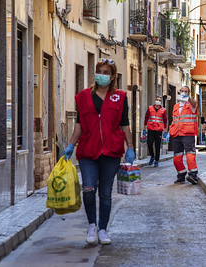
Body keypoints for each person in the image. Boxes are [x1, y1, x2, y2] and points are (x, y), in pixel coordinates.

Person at [64, 58, 135, 245]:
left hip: (111, 152)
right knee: (88, 188)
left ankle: (103, 229)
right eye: (99, 72)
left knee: (105, 193)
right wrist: (71, 145)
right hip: (88, 151)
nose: (102, 75)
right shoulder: (83, 96)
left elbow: (125, 124)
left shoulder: (119, 97)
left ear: (112, 77)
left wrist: (131, 147)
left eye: (106, 73)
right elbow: (78, 125)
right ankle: (92, 225)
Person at [168, 86, 199, 185]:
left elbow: (194, 103)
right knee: (176, 158)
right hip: (176, 133)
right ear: (179, 92)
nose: (184, 93)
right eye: (182, 91)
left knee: (190, 155)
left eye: (186, 92)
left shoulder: (192, 104)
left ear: (189, 93)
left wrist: (188, 98)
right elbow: (175, 119)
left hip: (188, 134)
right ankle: (181, 175)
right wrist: (169, 132)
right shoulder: (176, 106)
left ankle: (193, 175)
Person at [143, 96, 167, 167]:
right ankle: (152, 156)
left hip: (159, 130)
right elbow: (146, 118)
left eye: (159, 100)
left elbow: (165, 120)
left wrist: (165, 130)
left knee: (157, 145)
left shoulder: (163, 110)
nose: (158, 101)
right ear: (154, 100)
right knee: (149, 143)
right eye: (157, 99)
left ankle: (156, 160)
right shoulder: (150, 108)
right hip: (150, 129)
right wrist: (144, 128)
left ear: (161, 102)